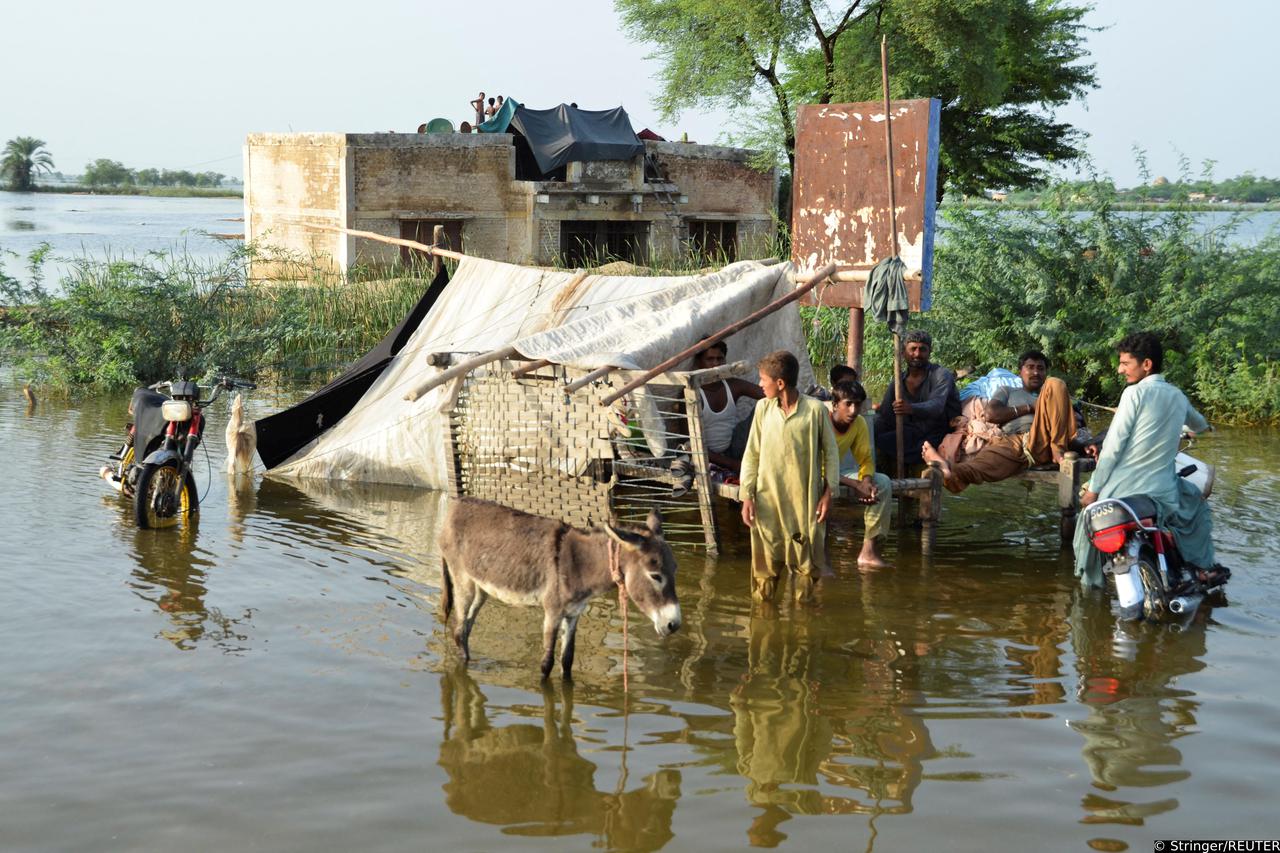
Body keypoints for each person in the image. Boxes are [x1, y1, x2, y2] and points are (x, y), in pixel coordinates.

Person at [1072, 332, 1217, 587]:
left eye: (1125, 363)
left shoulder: (1133, 394)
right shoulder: (1177, 396)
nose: (1119, 370)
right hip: (1164, 492)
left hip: (1125, 488)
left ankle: (1090, 586)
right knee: (1198, 509)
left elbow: (1113, 449)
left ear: (1146, 364)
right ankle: (1202, 568)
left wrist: (1093, 490)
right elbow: (1200, 424)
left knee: (1085, 520)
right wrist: (1201, 430)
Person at [739, 351, 840, 601]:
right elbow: (752, 453)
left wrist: (829, 493)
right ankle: (765, 624)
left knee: (806, 567)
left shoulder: (815, 410)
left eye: (764, 379)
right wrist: (746, 496)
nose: (760, 384)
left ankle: (803, 627)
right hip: (767, 501)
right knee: (764, 569)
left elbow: (831, 454)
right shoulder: (763, 408)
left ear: (780, 383)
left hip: (804, 503)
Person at [921, 350, 1078, 493]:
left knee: (1056, 383)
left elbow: (1074, 424)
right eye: (1030, 367)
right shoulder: (1007, 391)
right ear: (1020, 372)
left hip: (1043, 439)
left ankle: (1058, 450)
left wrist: (1085, 444)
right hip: (1011, 443)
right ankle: (944, 469)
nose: (1036, 372)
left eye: (1040, 368)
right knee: (974, 469)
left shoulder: (1051, 394)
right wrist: (1030, 407)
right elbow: (991, 414)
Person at [874, 330, 961, 468]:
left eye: (922, 350)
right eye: (913, 349)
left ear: (929, 352)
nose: (917, 354)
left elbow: (936, 406)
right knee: (876, 433)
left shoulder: (941, 375)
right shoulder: (898, 382)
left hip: (938, 431)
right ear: (903, 353)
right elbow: (885, 414)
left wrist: (911, 408)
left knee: (914, 444)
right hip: (911, 431)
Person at [830, 380, 893, 567]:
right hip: (814, 473)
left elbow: (865, 459)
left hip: (839, 473)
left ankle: (868, 551)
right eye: (847, 404)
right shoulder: (821, 422)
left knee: (882, 482)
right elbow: (819, 467)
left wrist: (865, 482)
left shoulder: (859, 423)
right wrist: (855, 485)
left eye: (857, 404)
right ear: (835, 405)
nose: (853, 410)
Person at [689, 340, 763, 473]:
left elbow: (769, 394)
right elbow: (690, 444)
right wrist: (733, 464)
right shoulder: (691, 395)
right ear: (699, 362)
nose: (716, 364)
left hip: (734, 448)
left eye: (720, 359)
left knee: (765, 406)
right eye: (710, 359)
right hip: (707, 457)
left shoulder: (732, 385)